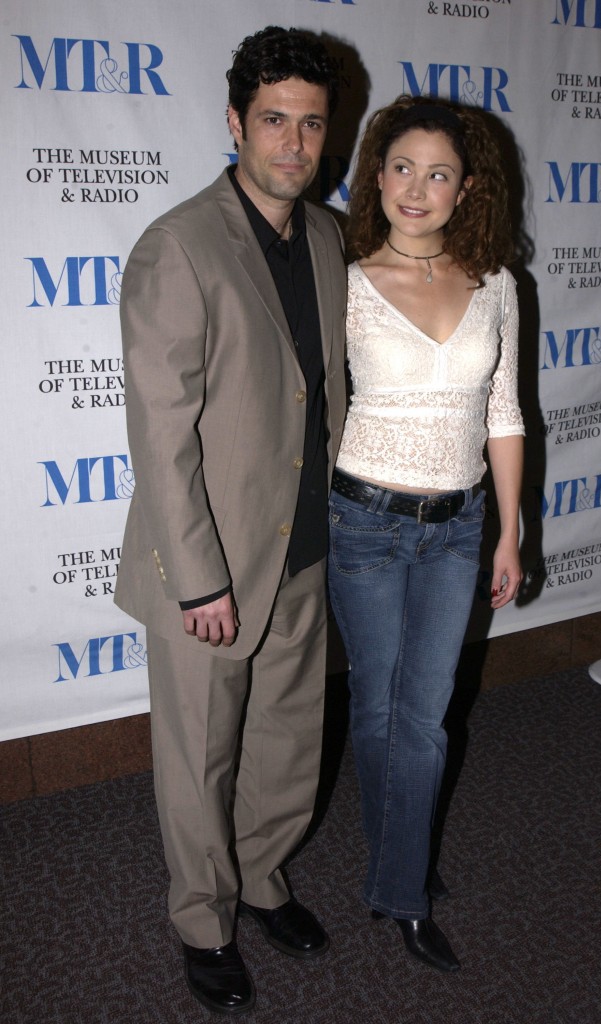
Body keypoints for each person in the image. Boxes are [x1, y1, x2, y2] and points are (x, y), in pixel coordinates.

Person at [114, 26, 346, 1015]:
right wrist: (198, 577)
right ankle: (204, 918)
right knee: (200, 754)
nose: (294, 143)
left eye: (311, 124)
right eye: (274, 121)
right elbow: (160, 434)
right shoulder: (180, 245)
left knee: (289, 740)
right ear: (235, 123)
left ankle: (261, 878)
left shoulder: (332, 237)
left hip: (305, 547)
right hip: (208, 565)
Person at [328, 96, 524, 973]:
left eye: (438, 173)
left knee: (422, 715)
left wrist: (510, 535)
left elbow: (505, 414)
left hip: (458, 527)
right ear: (377, 177)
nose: (417, 187)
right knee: (377, 708)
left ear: (465, 190)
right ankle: (402, 866)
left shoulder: (496, 285)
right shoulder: (343, 278)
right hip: (363, 521)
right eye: (401, 167)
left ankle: (397, 880)